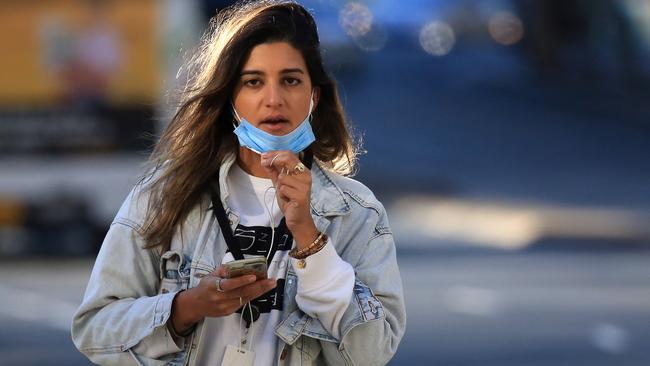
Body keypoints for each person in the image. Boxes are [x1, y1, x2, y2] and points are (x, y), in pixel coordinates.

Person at [71, 1, 406, 365]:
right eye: (253, 82)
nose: (273, 100)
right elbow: (93, 329)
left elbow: (372, 354)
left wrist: (311, 241)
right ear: (230, 97)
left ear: (314, 96)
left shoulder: (357, 213)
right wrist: (185, 308)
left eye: (291, 80)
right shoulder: (163, 195)